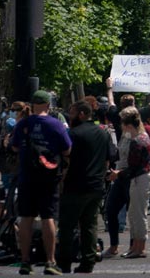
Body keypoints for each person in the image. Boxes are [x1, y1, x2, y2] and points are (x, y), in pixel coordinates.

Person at [11, 90, 71, 276]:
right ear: (47, 105)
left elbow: (13, 146)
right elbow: (67, 150)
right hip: (48, 176)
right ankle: (50, 261)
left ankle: (25, 261)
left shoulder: (23, 124)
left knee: (26, 218)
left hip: (27, 176)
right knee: (48, 218)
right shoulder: (56, 124)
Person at [56, 101, 114, 274]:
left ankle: (64, 263)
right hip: (96, 185)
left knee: (67, 225)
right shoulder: (103, 134)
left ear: (81, 114)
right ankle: (88, 262)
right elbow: (107, 159)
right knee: (89, 225)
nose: (69, 116)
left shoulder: (73, 134)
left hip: (76, 185)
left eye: (72, 113)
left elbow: (66, 159)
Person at [112, 107, 150, 259]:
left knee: (139, 214)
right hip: (140, 178)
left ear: (127, 125)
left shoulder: (137, 141)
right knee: (134, 214)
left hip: (141, 178)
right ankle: (136, 246)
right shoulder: (141, 137)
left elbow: (134, 167)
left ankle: (140, 248)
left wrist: (118, 174)